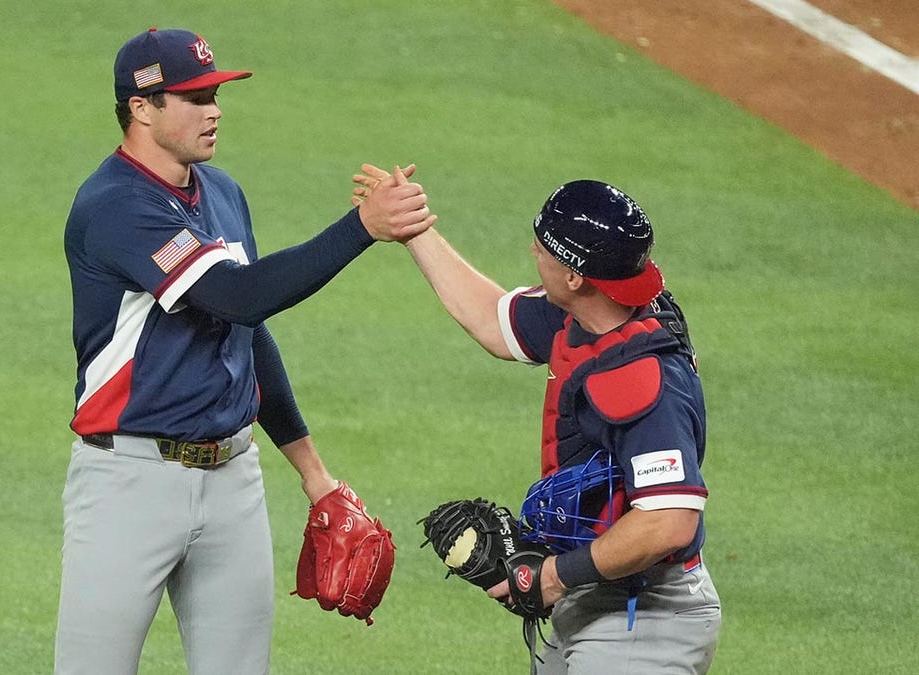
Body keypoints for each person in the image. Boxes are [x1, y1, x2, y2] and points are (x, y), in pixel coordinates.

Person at [55, 28, 434, 675]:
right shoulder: (115, 206)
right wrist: (362, 227)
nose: (214, 109)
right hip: (130, 483)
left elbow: (246, 334)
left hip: (233, 482)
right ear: (141, 107)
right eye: (195, 96)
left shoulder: (223, 194)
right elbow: (238, 295)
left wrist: (316, 475)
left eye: (215, 94)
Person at [355, 169, 721, 673]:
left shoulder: (639, 378)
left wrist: (553, 575)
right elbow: (492, 319)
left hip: (645, 620)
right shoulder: (601, 311)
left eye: (543, 247)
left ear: (575, 276)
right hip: (601, 602)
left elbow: (668, 522)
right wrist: (413, 228)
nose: (534, 253)